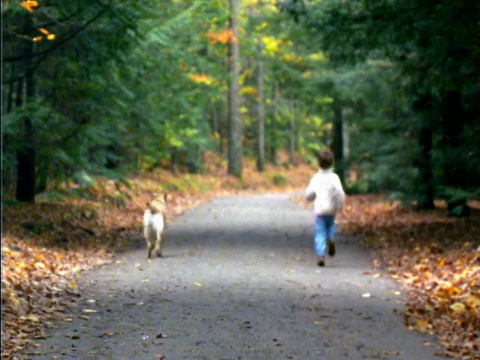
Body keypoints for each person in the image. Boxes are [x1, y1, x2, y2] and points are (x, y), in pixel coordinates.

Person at [304, 149, 345, 267]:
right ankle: (331, 239)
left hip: (320, 210)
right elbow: (340, 193)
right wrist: (340, 205)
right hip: (331, 210)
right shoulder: (335, 177)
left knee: (320, 232)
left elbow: (309, 194)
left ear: (318, 162)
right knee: (331, 226)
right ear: (332, 162)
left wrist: (308, 199)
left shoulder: (316, 178)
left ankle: (321, 255)